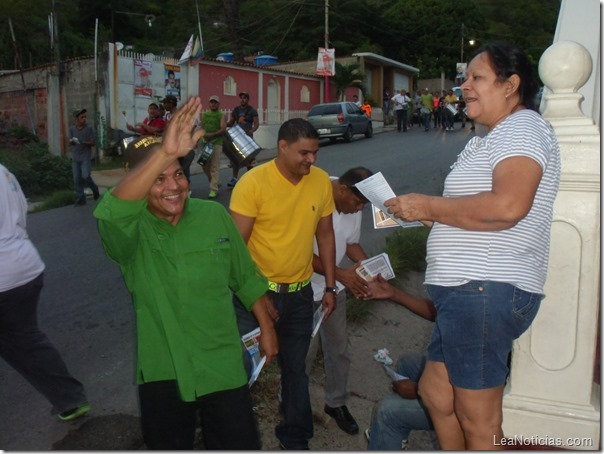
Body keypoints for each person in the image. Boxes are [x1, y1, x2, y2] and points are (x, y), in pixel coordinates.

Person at [384, 43, 561, 449]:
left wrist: (430, 204)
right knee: (435, 392)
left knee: (478, 419)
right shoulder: (487, 137)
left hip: (484, 287)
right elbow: (470, 208)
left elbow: (508, 206)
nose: (463, 86)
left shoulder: (522, 128)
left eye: (476, 78)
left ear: (511, 85)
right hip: (466, 292)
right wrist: (421, 213)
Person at [93, 97, 278, 450]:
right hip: (164, 367)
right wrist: (164, 152)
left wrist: (267, 328)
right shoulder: (129, 233)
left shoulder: (213, 216)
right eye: (158, 179)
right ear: (139, 184)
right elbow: (112, 212)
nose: (174, 186)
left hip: (222, 361)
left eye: (178, 172)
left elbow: (244, 276)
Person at [229, 118, 337, 450]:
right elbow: (235, 251)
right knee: (240, 372)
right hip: (256, 297)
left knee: (295, 370)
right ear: (283, 147)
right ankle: (234, 438)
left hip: (301, 295)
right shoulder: (253, 183)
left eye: (315, 153)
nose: (312, 160)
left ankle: (295, 436)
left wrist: (330, 287)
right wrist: (257, 301)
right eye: (304, 153)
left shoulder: (319, 182)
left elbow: (325, 234)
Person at [0, 164, 90, 422]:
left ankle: (69, 397)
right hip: (23, 266)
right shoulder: (5, 171)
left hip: (4, 277)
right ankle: (69, 399)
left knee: (21, 340)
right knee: (24, 340)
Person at [304, 167, 373, 436]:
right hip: (304, 290)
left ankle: (336, 403)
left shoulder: (352, 206)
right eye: (357, 203)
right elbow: (299, 253)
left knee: (339, 350)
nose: (358, 211)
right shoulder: (313, 197)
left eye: (363, 206)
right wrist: (340, 273)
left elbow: (350, 243)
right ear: (342, 190)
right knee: (303, 355)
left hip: (336, 291)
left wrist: (368, 267)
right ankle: (291, 404)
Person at [362, 276, 437, 451]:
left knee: (387, 411)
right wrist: (393, 293)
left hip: (470, 405)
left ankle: (390, 427)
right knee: (408, 363)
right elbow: (437, 311)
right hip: (458, 383)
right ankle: (395, 440)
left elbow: (469, 387)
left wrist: (419, 390)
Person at [226, 91, 258, 188]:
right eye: (241, 98)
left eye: (244, 98)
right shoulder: (236, 110)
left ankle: (251, 179)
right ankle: (234, 179)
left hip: (248, 137)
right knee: (236, 159)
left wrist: (252, 130)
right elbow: (231, 122)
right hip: (238, 137)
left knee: (249, 159)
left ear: (247, 99)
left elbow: (256, 123)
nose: (242, 99)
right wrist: (224, 124)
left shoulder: (252, 110)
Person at [69, 108, 100, 205]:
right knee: (77, 178)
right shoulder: (72, 129)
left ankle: (94, 189)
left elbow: (93, 142)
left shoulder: (89, 129)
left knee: (85, 175)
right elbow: (69, 141)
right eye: (82, 117)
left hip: (85, 156)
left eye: (85, 117)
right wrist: (72, 141)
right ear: (77, 118)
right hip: (75, 157)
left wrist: (83, 142)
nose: (84, 119)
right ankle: (81, 198)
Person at [199, 95, 226, 199]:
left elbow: (223, 128)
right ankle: (215, 182)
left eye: (215, 102)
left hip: (217, 142)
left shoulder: (221, 115)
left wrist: (213, 134)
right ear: (209, 103)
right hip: (205, 142)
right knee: (204, 164)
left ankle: (213, 189)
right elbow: (201, 127)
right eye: (211, 102)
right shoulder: (204, 115)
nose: (213, 104)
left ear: (218, 104)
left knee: (214, 166)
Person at [162, 95, 194, 183]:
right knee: (182, 170)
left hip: (184, 148)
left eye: (165, 103)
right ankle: (186, 190)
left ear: (171, 103)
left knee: (181, 171)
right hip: (175, 148)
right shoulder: (168, 116)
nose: (164, 105)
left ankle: (186, 190)